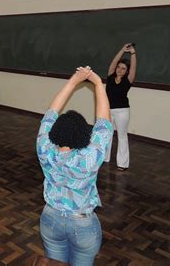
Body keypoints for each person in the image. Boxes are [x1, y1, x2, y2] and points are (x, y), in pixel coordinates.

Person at [36, 66, 113, 265]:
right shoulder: (89, 157)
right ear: (84, 136)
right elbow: (104, 123)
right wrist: (97, 83)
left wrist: (73, 81)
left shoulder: (44, 148)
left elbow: (51, 113)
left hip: (50, 218)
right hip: (83, 224)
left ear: (55, 131)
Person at [105, 43, 137, 171]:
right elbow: (114, 61)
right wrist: (122, 50)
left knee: (122, 136)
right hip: (108, 110)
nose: (119, 69)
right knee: (107, 134)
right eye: (119, 67)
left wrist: (133, 53)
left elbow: (134, 67)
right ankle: (104, 158)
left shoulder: (128, 80)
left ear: (127, 71)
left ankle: (122, 163)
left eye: (123, 68)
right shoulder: (110, 77)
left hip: (122, 111)